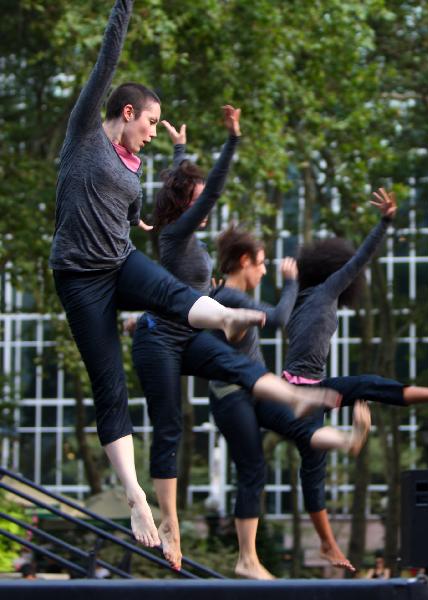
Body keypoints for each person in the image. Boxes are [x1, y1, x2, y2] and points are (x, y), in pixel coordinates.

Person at [49, 0, 303, 549]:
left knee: (172, 293)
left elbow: (147, 197)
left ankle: (233, 315)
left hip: (118, 262)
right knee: (109, 387)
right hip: (78, 279)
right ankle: (138, 500)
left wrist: (171, 167)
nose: (150, 132)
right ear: (124, 112)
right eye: (147, 122)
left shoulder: (133, 164)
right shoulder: (86, 136)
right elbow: (106, 61)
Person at [131, 110, 340, 569]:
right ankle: (169, 522)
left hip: (187, 336)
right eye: (199, 199)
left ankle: (299, 401)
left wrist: (182, 151)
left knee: (246, 369)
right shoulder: (176, 234)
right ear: (188, 205)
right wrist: (232, 140)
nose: (207, 206)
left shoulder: (186, 237)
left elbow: (178, 190)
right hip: (161, 342)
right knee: (169, 428)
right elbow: (205, 195)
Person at [281, 188, 428, 571]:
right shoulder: (327, 290)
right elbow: (360, 261)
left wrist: (288, 280)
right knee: (361, 397)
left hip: (306, 388)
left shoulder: (296, 301)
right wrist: (386, 222)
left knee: (317, 460)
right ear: (331, 271)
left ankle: (327, 542)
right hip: (300, 391)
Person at [209, 226, 371, 579]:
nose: (265, 270)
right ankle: (247, 559)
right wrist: (290, 282)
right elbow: (279, 317)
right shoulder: (229, 298)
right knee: (253, 471)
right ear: (244, 262)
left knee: (302, 428)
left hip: (254, 389)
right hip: (231, 396)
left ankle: (347, 440)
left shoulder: (220, 295)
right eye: (262, 264)